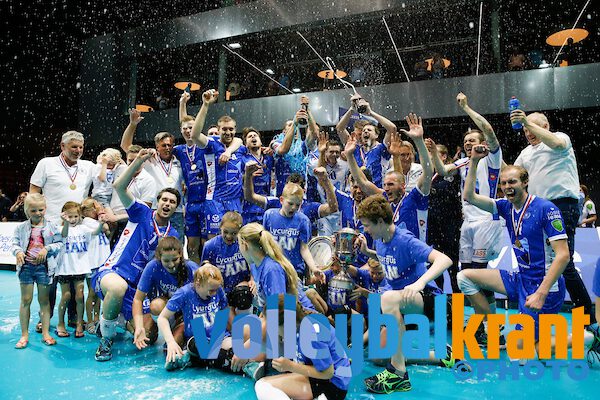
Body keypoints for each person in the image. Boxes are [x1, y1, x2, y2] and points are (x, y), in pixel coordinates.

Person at [459, 148, 570, 354]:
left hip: (544, 287)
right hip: (520, 279)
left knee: (519, 350)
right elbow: (469, 196)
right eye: (503, 183)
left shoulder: (546, 209)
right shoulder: (505, 207)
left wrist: (541, 293)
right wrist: (473, 161)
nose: (507, 187)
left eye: (512, 182)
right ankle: (492, 328)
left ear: (525, 182)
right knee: (464, 277)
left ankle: (583, 337)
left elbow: (563, 255)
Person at [355, 195, 452, 393]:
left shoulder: (405, 240)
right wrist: (368, 253)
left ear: (380, 221)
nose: (365, 230)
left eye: (367, 225)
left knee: (387, 298)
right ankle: (439, 355)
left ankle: (398, 374)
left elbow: (444, 260)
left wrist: (419, 283)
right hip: (403, 304)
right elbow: (389, 257)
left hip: (429, 299)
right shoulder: (381, 240)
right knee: (378, 356)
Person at [91, 148, 180, 362]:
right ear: (158, 201)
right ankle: (106, 339)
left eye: (172, 202)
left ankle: (114, 320)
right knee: (117, 288)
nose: (167, 204)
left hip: (137, 288)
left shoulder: (173, 235)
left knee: (149, 335)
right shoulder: (141, 212)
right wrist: (138, 161)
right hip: (113, 273)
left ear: (176, 208)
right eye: (164, 200)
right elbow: (119, 186)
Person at [511, 108, 595, 325]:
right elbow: (511, 172)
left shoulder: (560, 138)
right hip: (537, 210)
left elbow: (556, 144)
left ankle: (589, 320)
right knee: (543, 265)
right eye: (524, 130)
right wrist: (491, 153)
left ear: (545, 126)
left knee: (564, 264)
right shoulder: (525, 153)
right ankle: (541, 315)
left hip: (562, 206)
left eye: (531, 127)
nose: (527, 133)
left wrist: (526, 122)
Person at [430, 93, 504, 321]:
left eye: (472, 140)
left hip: (486, 220)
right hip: (467, 223)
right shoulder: (464, 161)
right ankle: (482, 320)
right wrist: (432, 153)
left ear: (483, 143)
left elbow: (489, 130)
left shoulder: (492, 158)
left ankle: (491, 323)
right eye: (465, 142)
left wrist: (466, 108)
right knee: (466, 275)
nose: (468, 144)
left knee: (479, 275)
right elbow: (442, 171)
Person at [29, 130, 94, 332]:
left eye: (81, 147)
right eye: (73, 147)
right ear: (62, 146)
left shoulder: (88, 166)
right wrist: (36, 221)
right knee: (50, 278)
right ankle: (45, 317)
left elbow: (109, 168)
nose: (78, 150)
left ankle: (74, 318)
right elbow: (34, 192)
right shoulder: (46, 164)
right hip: (50, 229)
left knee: (74, 275)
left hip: (76, 230)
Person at [157, 264, 265, 378]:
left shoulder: (217, 290)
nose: (214, 293)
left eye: (216, 289)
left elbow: (225, 311)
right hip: (197, 337)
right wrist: (171, 342)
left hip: (219, 334)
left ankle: (190, 359)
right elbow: (162, 318)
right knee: (205, 348)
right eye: (211, 291)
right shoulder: (184, 293)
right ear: (198, 284)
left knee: (233, 352)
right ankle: (248, 366)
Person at [345, 113, 433, 243]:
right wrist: (349, 156)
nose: (386, 188)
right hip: (393, 253)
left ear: (403, 185)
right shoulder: (385, 199)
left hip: (415, 255)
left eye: (390, 184)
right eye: (385, 185)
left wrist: (419, 141)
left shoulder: (415, 198)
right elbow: (363, 182)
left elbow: (428, 172)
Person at [254, 295, 352, 400]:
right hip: (319, 378)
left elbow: (328, 373)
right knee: (263, 383)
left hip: (333, 386)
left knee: (264, 387)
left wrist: (290, 366)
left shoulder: (311, 333)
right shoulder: (300, 320)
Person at [120, 110, 185, 244]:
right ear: (157, 146)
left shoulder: (179, 161)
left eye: (170, 145)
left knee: (176, 245)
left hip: (177, 211)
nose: (167, 148)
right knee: (153, 245)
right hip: (155, 209)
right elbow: (126, 146)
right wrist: (133, 124)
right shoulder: (150, 159)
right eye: (164, 145)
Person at [189, 89, 245, 240]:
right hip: (215, 200)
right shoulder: (212, 144)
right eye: (224, 129)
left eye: (231, 129)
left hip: (235, 202)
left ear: (235, 130)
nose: (228, 132)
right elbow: (194, 135)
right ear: (218, 130)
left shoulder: (239, 147)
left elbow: (239, 140)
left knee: (236, 241)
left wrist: (229, 152)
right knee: (215, 240)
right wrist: (205, 105)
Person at [11, 193, 63, 348]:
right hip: (26, 267)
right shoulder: (21, 228)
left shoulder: (52, 226)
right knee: (25, 300)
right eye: (33, 210)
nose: (38, 213)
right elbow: (14, 244)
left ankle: (46, 333)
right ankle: (24, 335)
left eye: (41, 209)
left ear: (45, 208)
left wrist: (47, 248)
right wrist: (18, 252)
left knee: (44, 301)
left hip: (44, 268)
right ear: (27, 211)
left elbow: (60, 243)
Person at [132, 237, 199, 351]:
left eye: (175, 259)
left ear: (181, 255)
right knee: (147, 336)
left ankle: (179, 332)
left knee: (171, 348)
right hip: (165, 310)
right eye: (166, 261)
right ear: (159, 258)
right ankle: (125, 323)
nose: (171, 265)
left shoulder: (192, 269)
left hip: (186, 313)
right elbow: (138, 299)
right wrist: (139, 327)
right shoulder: (153, 267)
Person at [56, 201, 103, 338]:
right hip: (65, 268)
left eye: (75, 216)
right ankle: (60, 323)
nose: (73, 219)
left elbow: (95, 233)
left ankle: (79, 323)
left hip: (79, 268)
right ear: (64, 216)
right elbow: (64, 234)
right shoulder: (60, 228)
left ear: (80, 216)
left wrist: (100, 223)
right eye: (70, 217)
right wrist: (65, 222)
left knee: (80, 296)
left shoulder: (83, 228)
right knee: (66, 296)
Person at [424, 141, 462, 293]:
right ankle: (440, 303)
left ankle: (458, 305)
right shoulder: (426, 176)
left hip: (451, 225)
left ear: (444, 156)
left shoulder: (452, 172)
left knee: (453, 269)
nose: (430, 158)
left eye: (434, 154)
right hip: (433, 226)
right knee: (435, 268)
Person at [201, 211, 254, 316]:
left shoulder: (245, 243)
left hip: (241, 290)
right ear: (220, 227)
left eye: (234, 233)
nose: (229, 236)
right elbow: (204, 271)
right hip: (221, 291)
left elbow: (253, 264)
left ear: (240, 231)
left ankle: (244, 319)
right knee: (226, 322)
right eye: (225, 232)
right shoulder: (210, 246)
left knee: (242, 294)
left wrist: (252, 279)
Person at [336, 95, 396, 188]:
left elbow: (392, 128)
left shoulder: (381, 149)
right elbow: (340, 129)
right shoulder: (355, 148)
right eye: (364, 130)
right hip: (358, 191)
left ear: (376, 135)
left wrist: (370, 112)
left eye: (369, 130)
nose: (365, 131)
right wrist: (351, 110)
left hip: (377, 192)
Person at [81, 198, 111, 334]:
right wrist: (101, 215)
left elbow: (108, 231)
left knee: (98, 294)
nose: (98, 209)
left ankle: (96, 318)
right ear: (87, 211)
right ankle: (90, 321)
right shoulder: (87, 222)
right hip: (93, 263)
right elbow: (104, 228)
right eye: (95, 207)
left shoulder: (95, 221)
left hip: (102, 263)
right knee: (92, 293)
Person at [240, 127, 275, 224]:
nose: (253, 137)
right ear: (246, 144)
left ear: (261, 142)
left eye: (255, 135)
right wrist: (247, 175)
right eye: (249, 137)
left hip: (266, 205)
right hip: (249, 207)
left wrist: (271, 149)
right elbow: (236, 178)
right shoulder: (243, 159)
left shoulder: (269, 157)